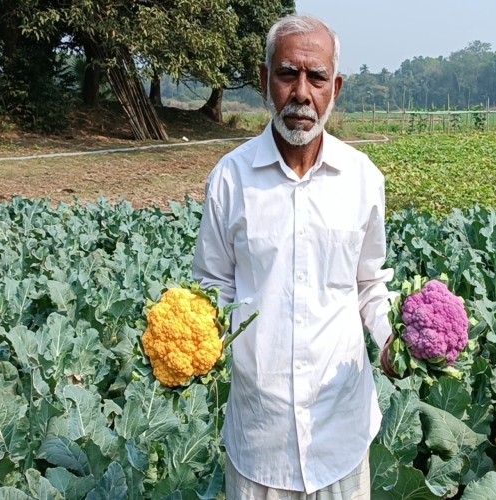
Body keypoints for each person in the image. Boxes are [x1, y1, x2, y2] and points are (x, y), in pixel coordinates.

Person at [192, 13, 395, 499]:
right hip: (260, 437)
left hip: (340, 436)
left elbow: (370, 284)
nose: (301, 92)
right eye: (287, 74)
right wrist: (194, 342)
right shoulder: (230, 179)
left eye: (317, 77)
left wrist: (392, 343)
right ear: (265, 81)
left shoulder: (363, 179)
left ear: (335, 88)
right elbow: (212, 284)